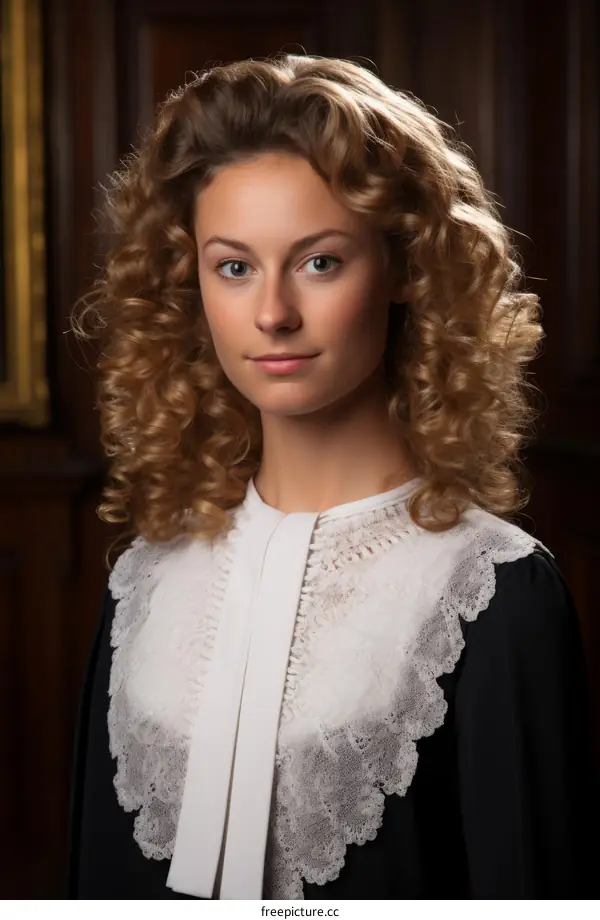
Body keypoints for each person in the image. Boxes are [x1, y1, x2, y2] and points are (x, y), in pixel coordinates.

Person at [67, 52, 599, 899]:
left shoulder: (491, 593)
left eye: (319, 261)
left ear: (404, 270)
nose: (273, 313)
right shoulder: (147, 581)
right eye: (234, 266)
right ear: (190, 281)